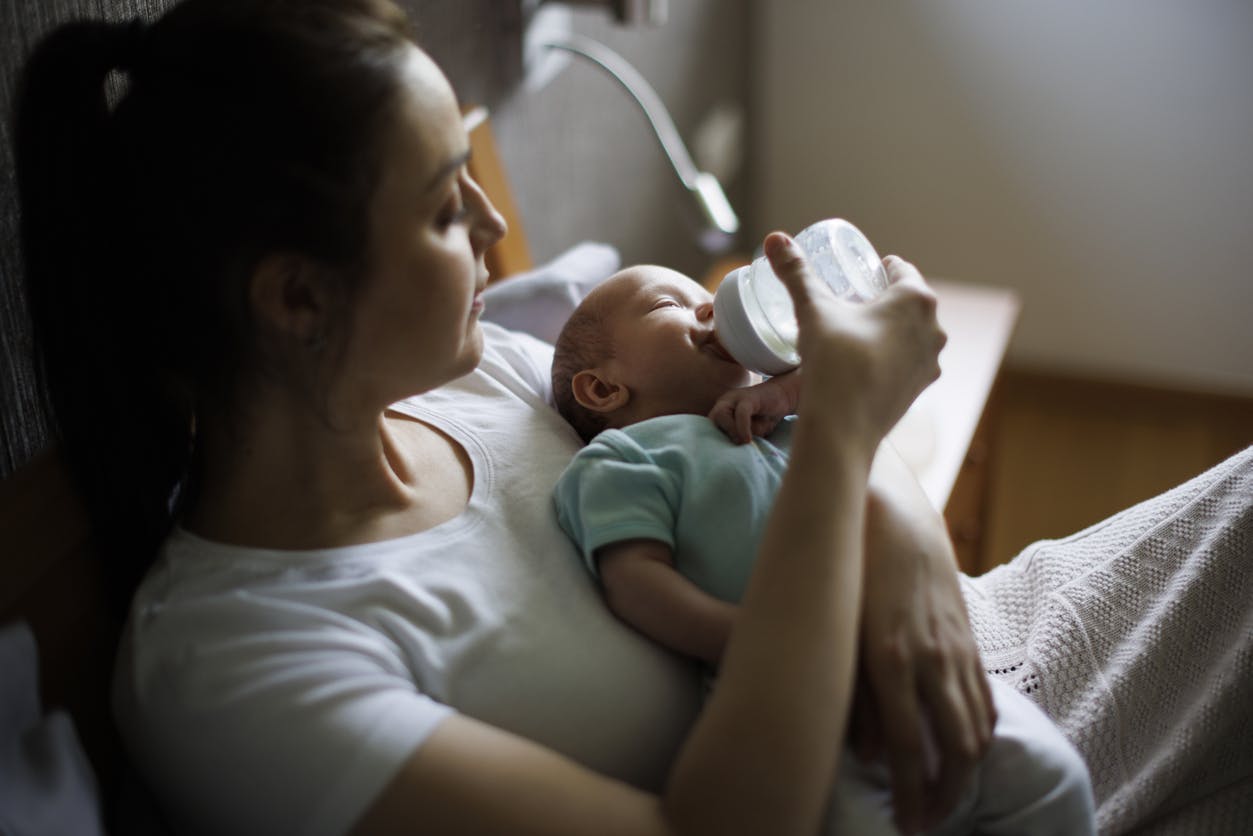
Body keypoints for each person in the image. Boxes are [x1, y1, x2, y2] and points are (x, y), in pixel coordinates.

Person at [12, 1, 1249, 834]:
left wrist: (909, 542)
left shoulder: (480, 371)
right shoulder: (237, 673)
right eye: (449, 210)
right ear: (295, 297)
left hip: (950, 652)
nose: (497, 233)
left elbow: (732, 447)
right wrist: (848, 449)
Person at [550, 264, 1096, 834]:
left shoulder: (781, 420)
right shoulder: (627, 458)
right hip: (795, 703)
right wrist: (747, 638)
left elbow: (848, 386)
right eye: (671, 305)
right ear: (603, 387)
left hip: (908, 660)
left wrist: (785, 384)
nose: (711, 309)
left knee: (1053, 777)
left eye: (709, 298)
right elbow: (635, 581)